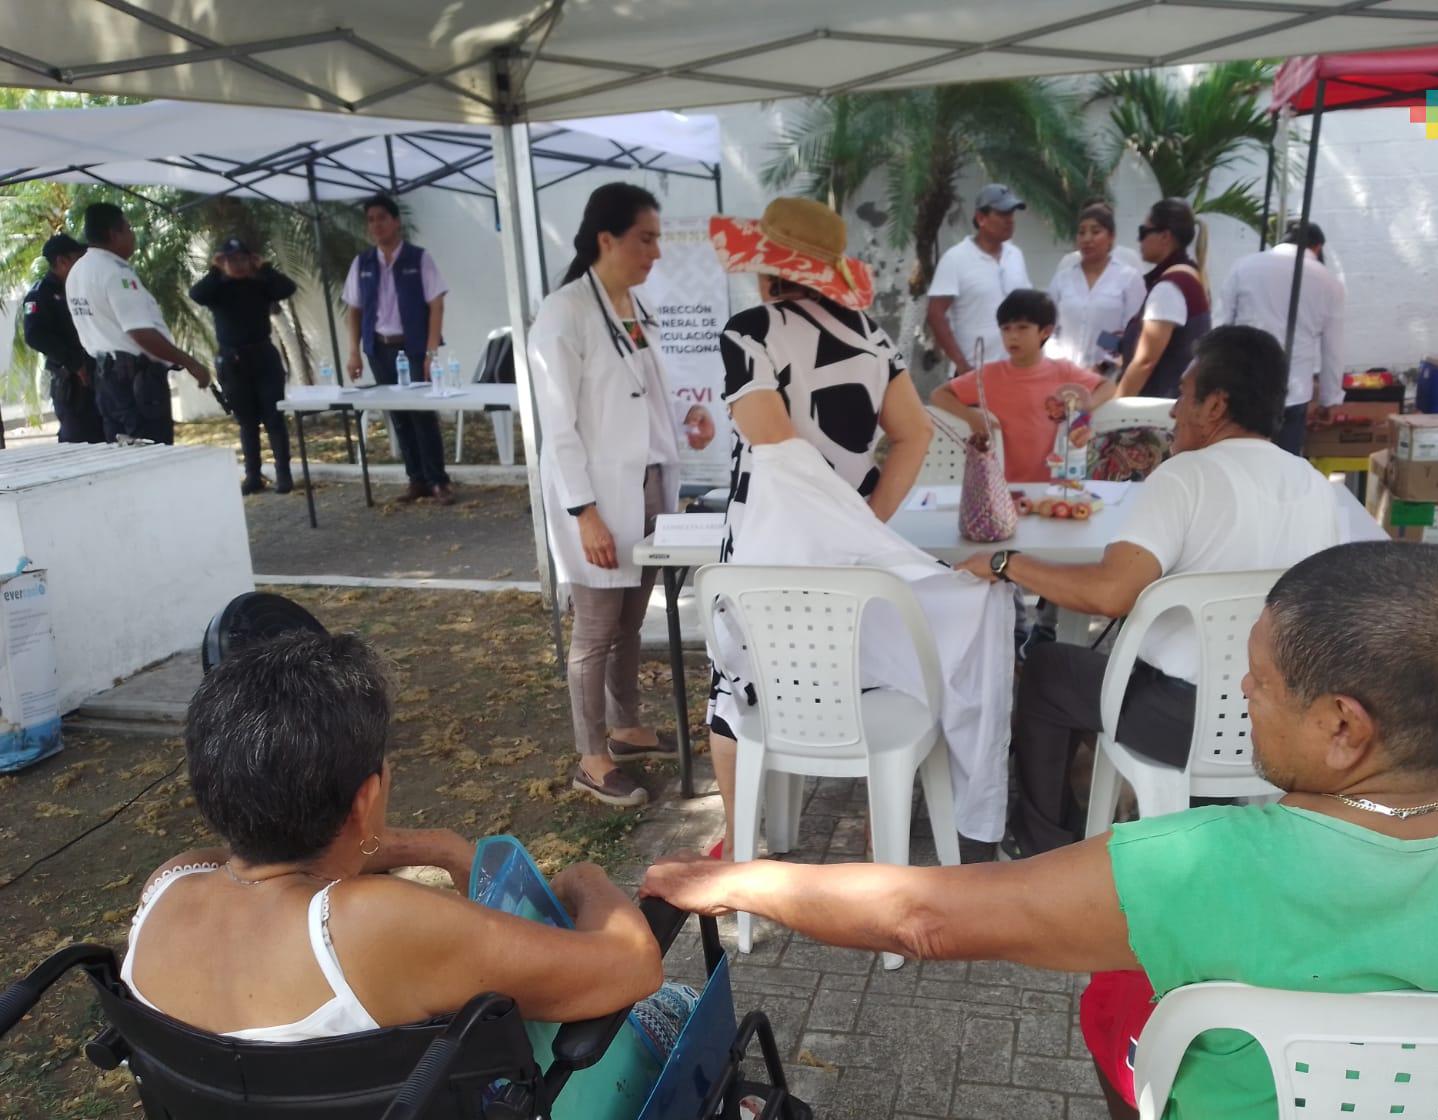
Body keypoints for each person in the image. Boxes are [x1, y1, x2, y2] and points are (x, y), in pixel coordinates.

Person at [643, 539, 1438, 1120]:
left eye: (1259, 681)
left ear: (1343, 727)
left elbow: (918, 916)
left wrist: (740, 879)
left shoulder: (1200, 870)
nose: (1238, 690)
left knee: (1116, 995)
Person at [126, 630, 665, 1039]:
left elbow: (278, 856)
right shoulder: (373, 924)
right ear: (365, 799)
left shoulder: (169, 885)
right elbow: (632, 966)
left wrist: (438, 849)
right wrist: (584, 879)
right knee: (670, 1011)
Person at [956, 325, 1341, 859]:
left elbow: (1110, 593)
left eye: (1183, 395)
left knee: (1048, 670)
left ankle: (1045, 848)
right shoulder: (1313, 486)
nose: (1173, 411)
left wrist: (1007, 563)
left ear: (1215, 405)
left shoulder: (1186, 475)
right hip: (1281, 724)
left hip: (1183, 718)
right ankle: (1208, 807)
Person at [705, 195, 934, 856]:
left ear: (767, 268)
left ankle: (744, 837)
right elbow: (914, 433)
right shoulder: (871, 335)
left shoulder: (751, 330)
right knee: (834, 670)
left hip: (766, 551)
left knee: (735, 691)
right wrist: (865, 522)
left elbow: (772, 447)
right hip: (844, 557)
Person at [530, 183, 715, 808]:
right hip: (599, 495)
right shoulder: (564, 314)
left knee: (635, 619)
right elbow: (558, 427)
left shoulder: (631, 305)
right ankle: (590, 756)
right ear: (606, 239)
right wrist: (584, 512)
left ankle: (626, 726)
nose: (656, 252)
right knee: (596, 628)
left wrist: (680, 436)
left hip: (649, 483)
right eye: (646, 238)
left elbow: (643, 396)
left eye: (658, 238)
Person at [929, 289, 1111, 484]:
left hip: (1055, 484)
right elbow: (939, 395)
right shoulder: (989, 375)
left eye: (1022, 328)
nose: (1013, 336)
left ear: (1045, 332)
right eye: (1006, 329)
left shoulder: (1063, 371)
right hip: (1000, 487)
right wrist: (972, 417)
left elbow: (1107, 386)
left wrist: (1086, 406)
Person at [66, 202, 211, 443]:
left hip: (107, 379)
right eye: (129, 229)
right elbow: (141, 332)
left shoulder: (78, 271)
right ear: (114, 234)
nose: (133, 235)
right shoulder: (116, 273)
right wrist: (191, 363)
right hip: (135, 383)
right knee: (152, 454)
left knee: (124, 457)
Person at [341, 194, 453, 504]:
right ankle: (415, 479)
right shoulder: (362, 263)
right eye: (370, 219)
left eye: (381, 218)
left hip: (414, 347)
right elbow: (354, 310)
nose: (376, 225)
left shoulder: (419, 259)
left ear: (396, 221)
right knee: (399, 415)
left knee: (423, 414)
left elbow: (436, 306)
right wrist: (353, 351)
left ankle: (438, 480)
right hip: (380, 349)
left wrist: (431, 353)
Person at [1214, 221, 1346, 456]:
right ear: (1318, 247)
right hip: (1292, 391)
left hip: (1242, 384)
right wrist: (1329, 399)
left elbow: (1219, 326)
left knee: (1239, 462)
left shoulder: (1244, 266)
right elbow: (1333, 349)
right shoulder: (1329, 282)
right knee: (1284, 469)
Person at [189, 236, 298, 494]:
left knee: (274, 418)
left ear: (250, 260)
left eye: (241, 259)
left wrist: (265, 268)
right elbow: (196, 294)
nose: (236, 265)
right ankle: (253, 476)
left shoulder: (260, 285)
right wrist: (215, 270)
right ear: (222, 261)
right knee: (247, 422)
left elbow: (287, 288)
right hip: (233, 361)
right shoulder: (218, 288)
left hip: (263, 357)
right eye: (230, 260)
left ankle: (284, 474)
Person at [926, 184, 1031, 377]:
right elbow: (935, 314)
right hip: (974, 372)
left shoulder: (1015, 255)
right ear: (981, 218)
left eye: (1012, 214)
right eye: (1002, 214)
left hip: (1015, 371)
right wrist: (962, 366)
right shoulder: (956, 258)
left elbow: (1028, 310)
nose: (1010, 220)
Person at [1115, 198, 1210, 401]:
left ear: (1165, 236)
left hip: (1160, 411)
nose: (1139, 240)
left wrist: (1117, 406)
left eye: (1143, 232)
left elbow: (1145, 361)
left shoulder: (1170, 287)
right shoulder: (1185, 277)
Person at [1044, 203, 1146, 373]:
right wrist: (1060, 363)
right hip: (1062, 374)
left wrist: (1102, 366)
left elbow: (1133, 333)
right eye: (1081, 232)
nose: (1087, 239)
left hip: (1108, 377)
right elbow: (1047, 327)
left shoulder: (1128, 278)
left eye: (1095, 231)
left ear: (1111, 237)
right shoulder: (1062, 278)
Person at [21, 233, 102, 443]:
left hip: (98, 376)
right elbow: (34, 335)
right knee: (80, 441)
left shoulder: (82, 288)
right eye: (78, 259)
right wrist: (73, 362)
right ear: (62, 261)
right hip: (72, 383)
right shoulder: (41, 294)